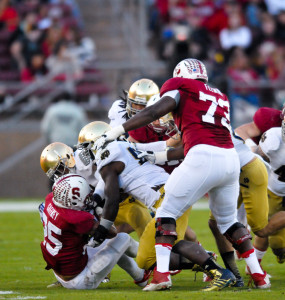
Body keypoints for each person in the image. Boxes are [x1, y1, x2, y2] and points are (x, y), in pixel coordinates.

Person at [94, 58, 270, 290]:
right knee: (229, 222)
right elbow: (189, 141)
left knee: (166, 213)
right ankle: (259, 277)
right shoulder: (219, 95)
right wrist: (155, 157)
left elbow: (156, 110)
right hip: (229, 160)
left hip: (202, 155)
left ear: (180, 74)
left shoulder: (180, 86)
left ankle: (162, 276)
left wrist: (118, 130)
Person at [79, 120, 236, 292]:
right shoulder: (122, 148)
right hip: (174, 190)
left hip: (166, 196)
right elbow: (104, 185)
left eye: (87, 146)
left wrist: (103, 229)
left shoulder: (107, 156)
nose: (85, 152)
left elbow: (112, 198)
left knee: (157, 250)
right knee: (155, 252)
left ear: (98, 142)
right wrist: (95, 198)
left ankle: (217, 271)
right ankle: (202, 261)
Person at [40, 173, 149, 289]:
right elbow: (111, 232)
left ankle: (142, 275)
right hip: (79, 280)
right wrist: (99, 211)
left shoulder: (50, 200)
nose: (88, 200)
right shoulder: (77, 219)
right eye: (85, 198)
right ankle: (152, 257)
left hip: (61, 269)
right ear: (73, 201)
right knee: (122, 239)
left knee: (110, 245)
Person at [254, 126, 285, 263]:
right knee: (278, 245)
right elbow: (257, 159)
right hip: (276, 189)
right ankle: (254, 266)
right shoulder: (273, 139)